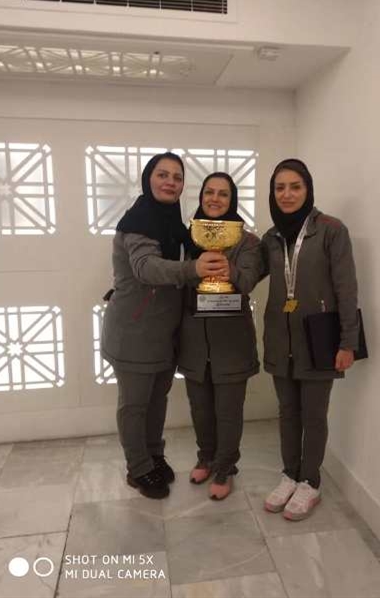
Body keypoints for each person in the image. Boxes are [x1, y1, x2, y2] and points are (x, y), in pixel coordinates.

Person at [101, 153, 227, 500]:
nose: (170, 182)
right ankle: (138, 468)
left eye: (177, 177)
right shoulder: (138, 221)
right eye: (163, 174)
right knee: (135, 405)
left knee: (157, 400)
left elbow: (193, 255)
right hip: (133, 333)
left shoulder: (173, 223)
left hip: (163, 334)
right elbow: (146, 268)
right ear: (148, 178)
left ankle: (154, 455)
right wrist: (193, 269)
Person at [262, 158, 359, 520]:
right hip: (280, 337)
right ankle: (290, 475)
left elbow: (346, 289)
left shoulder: (332, 230)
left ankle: (310, 482)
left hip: (319, 339)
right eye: (280, 188)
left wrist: (347, 342)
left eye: (295, 186)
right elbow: (249, 273)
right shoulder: (271, 238)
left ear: (308, 189)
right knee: (287, 412)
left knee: (314, 415)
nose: (287, 194)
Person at [177, 172, 264, 500]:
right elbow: (178, 280)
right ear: (201, 197)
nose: (215, 199)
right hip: (194, 339)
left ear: (232, 200)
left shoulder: (247, 241)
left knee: (228, 411)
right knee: (200, 408)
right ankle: (206, 457)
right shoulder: (187, 237)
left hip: (231, 341)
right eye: (209, 192)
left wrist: (228, 268)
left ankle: (226, 467)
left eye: (223, 194)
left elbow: (249, 281)